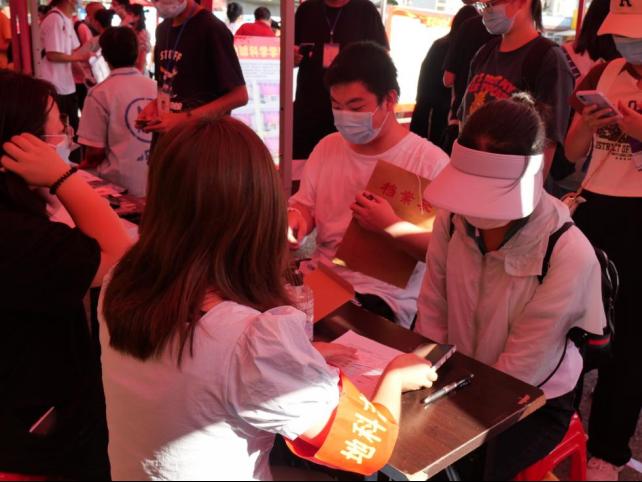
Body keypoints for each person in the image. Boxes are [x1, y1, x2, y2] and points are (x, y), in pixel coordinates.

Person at [98, 116, 438, 481]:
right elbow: (369, 444)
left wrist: (301, 359)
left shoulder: (122, 281)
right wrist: (394, 377)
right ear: (259, 211)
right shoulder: (251, 340)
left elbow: (204, 374)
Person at [416, 95, 606, 480]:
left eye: (491, 193)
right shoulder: (451, 219)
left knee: (461, 469)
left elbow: (523, 365)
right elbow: (433, 305)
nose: (474, 207)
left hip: (533, 398)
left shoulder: (567, 252)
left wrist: (453, 419)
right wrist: (427, 374)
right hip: (456, 373)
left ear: (539, 168)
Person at [0, 70, 132, 480]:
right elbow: (117, 256)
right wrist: (63, 178)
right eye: (59, 131)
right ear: (23, 148)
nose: (67, 140)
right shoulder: (23, 239)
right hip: (32, 444)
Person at [288, 42, 449, 328]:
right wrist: (296, 219)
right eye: (336, 107)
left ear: (389, 99)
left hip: (383, 297)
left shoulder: (430, 162)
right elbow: (305, 204)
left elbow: (443, 251)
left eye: (356, 107)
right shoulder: (328, 147)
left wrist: (390, 226)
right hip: (322, 279)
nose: (345, 116)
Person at [564, 1, 642, 479]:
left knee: (631, 341)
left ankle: (608, 450)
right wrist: (587, 126)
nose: (628, 45)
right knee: (570, 327)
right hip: (594, 208)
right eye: (624, 35)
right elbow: (573, 151)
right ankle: (558, 427)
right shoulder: (605, 71)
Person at [458, 0, 574, 178]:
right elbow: (465, 119)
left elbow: (548, 140)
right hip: (471, 175)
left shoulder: (549, 59)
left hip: (512, 181)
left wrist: (530, 190)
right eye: (483, 6)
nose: (487, 12)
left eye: (492, 4)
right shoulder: (484, 53)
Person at [293, 0, 389, 160]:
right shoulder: (306, 10)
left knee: (348, 162)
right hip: (309, 108)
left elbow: (381, 60)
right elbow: (290, 52)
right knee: (306, 162)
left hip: (351, 111)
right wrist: (291, 57)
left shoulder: (366, 10)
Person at [136, 0, 248, 135]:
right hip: (168, 137)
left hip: (200, 138)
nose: (157, 3)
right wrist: (155, 105)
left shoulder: (212, 28)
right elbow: (172, 86)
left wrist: (184, 119)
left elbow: (239, 95)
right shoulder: (162, 30)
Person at [78, 27, 156, 198]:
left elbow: (95, 151)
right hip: (156, 180)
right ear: (137, 53)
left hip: (118, 187)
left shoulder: (99, 93)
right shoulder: (155, 88)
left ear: (105, 57)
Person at [410, 5, 478, 145]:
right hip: (455, 119)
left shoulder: (439, 45)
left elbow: (424, 85)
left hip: (432, 113)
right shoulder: (476, 52)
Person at [441, 4, 498, 154]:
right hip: (497, 134)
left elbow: (448, 79)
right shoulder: (510, 36)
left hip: (461, 121)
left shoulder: (468, 27)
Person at [37, 0, 92, 133]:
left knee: (72, 129)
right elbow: (53, 55)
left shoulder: (66, 19)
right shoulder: (55, 19)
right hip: (54, 86)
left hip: (66, 86)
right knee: (61, 131)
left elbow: (72, 54)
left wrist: (84, 75)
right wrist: (81, 58)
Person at [125, 4, 152, 73]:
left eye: (129, 14)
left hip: (137, 72)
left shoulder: (142, 34)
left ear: (137, 17)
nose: (126, 16)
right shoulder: (131, 30)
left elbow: (141, 62)